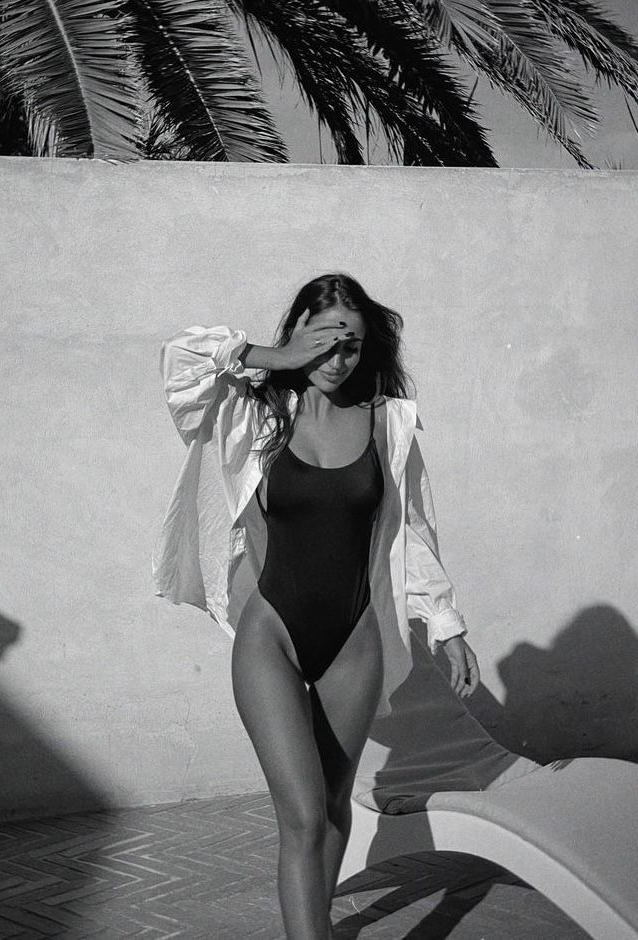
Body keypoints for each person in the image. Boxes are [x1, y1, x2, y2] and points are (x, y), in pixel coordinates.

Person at [154, 273, 480, 940]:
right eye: (322, 341)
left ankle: (318, 926)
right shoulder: (250, 411)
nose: (336, 359)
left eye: (351, 346)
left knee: (332, 808)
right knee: (301, 816)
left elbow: (412, 528)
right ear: (295, 333)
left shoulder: (388, 422)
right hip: (271, 634)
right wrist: (268, 359)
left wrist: (444, 625)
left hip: (353, 640)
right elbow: (180, 359)